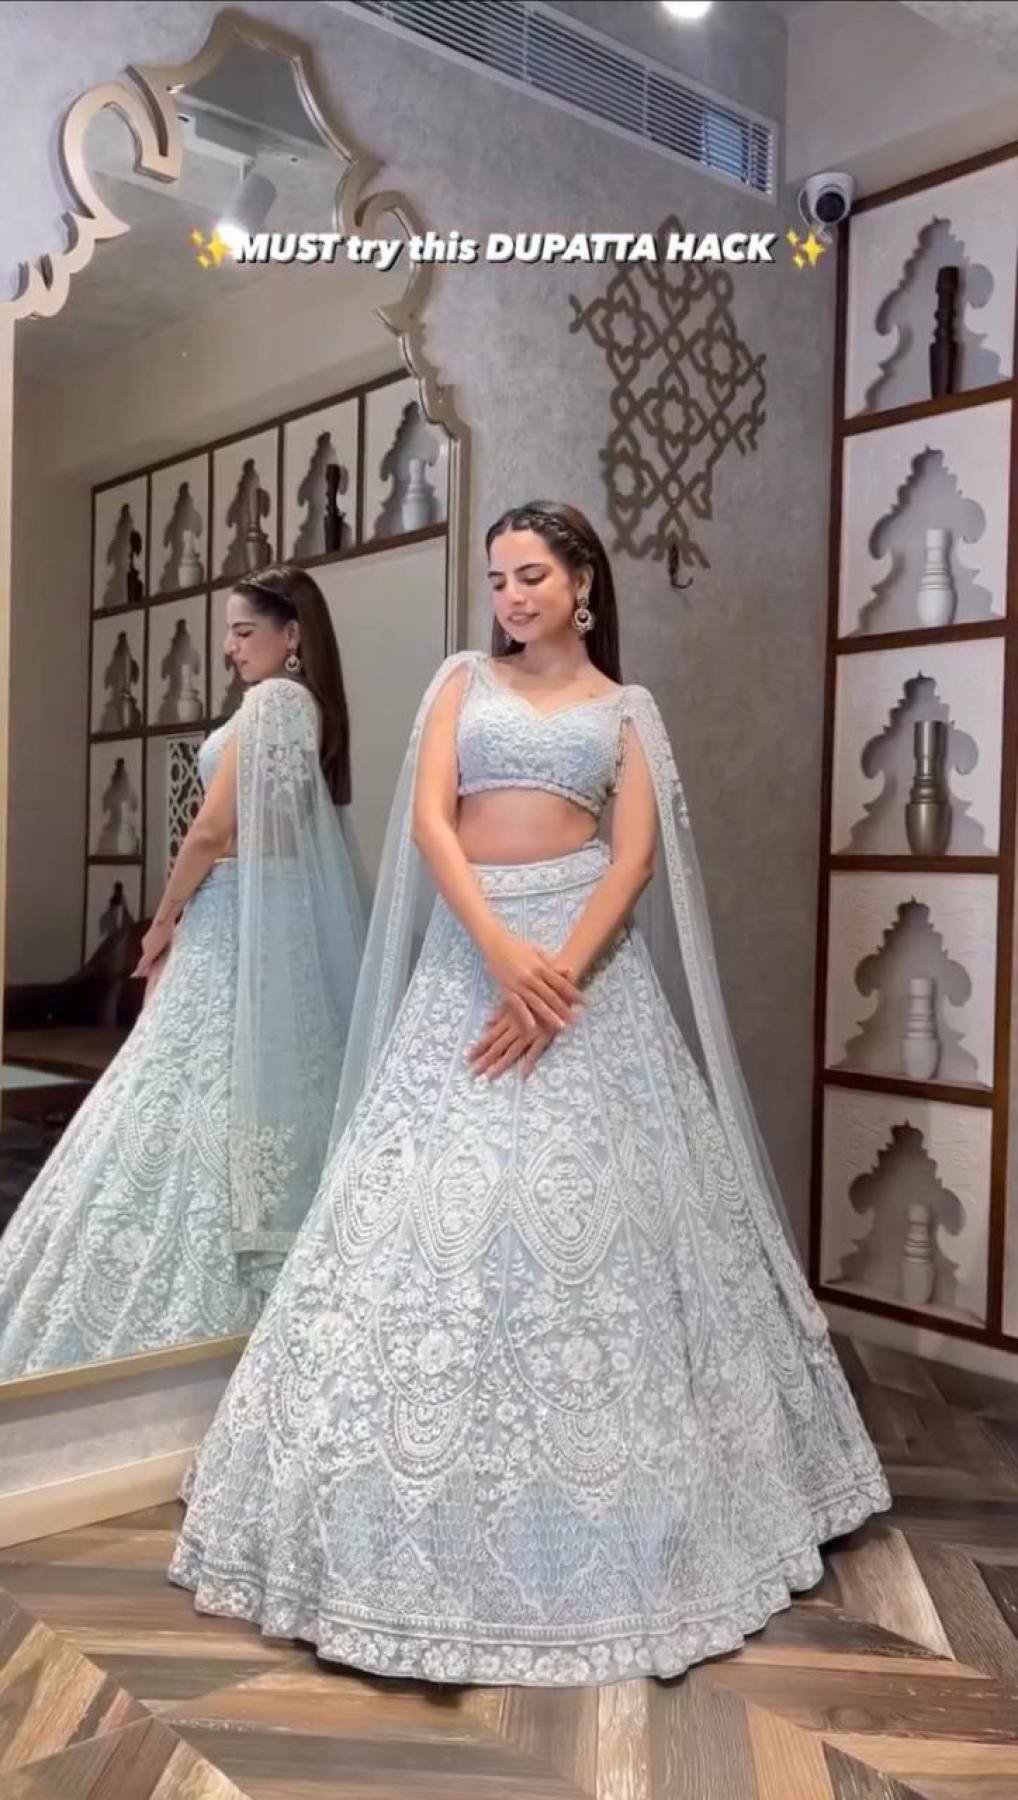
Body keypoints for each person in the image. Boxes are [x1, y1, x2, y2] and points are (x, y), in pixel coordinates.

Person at [168, 503, 891, 1687]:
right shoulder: (461, 681)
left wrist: (557, 974)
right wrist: (503, 954)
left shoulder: (627, 709)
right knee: (433, 1214)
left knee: (601, 1226)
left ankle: (625, 1515)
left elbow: (633, 857)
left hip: (584, 973)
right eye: (498, 578)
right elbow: (429, 823)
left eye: (531, 577)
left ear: (583, 583)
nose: (508, 597)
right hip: (473, 956)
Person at [0, 566, 365, 1378]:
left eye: (243, 631)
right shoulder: (308, 708)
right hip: (266, 915)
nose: (229, 646)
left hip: (232, 913)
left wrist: (162, 923)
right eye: (228, 631)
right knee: (234, 1086)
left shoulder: (271, 703)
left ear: (292, 634)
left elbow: (210, 831)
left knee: (183, 1087)